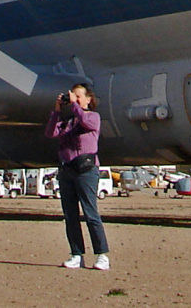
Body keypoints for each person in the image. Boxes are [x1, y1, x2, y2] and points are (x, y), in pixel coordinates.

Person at [45, 82, 110, 270]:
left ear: (88, 99)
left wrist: (75, 105)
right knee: (70, 215)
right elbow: (50, 133)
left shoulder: (93, 117)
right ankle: (76, 254)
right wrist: (57, 111)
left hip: (86, 170)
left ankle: (102, 255)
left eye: (78, 96)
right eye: (72, 95)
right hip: (67, 170)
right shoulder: (68, 122)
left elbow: (86, 123)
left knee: (91, 213)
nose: (75, 98)